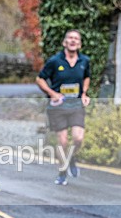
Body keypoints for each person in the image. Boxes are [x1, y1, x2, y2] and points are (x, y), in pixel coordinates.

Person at [35, 29, 91, 185]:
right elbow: (40, 79)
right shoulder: (55, 61)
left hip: (76, 105)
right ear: (64, 42)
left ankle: (72, 157)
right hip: (58, 106)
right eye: (70, 38)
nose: (73, 41)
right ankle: (62, 172)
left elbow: (86, 77)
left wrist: (84, 93)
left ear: (79, 44)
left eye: (76, 39)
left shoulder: (84, 61)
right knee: (63, 142)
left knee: (78, 138)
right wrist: (52, 93)